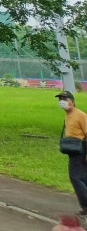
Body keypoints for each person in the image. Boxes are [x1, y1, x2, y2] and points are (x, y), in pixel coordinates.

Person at [58, 90, 87, 223]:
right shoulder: (68, 115)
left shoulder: (80, 115)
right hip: (74, 149)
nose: (62, 101)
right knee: (83, 177)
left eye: (65, 98)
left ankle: (85, 205)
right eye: (60, 99)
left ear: (72, 102)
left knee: (75, 177)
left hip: (81, 149)